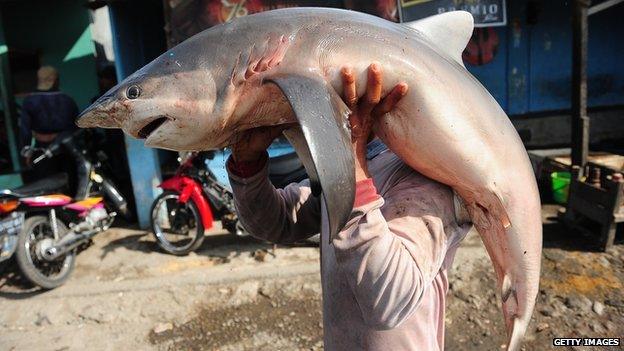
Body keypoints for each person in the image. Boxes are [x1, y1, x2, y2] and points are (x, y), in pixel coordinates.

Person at [227, 63, 472, 351]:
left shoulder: (427, 176)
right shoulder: (356, 165)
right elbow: (278, 221)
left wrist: (353, 164)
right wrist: (248, 162)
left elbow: (389, 300)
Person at [19, 66, 79, 182]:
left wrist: (27, 152)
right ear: (56, 80)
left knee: (47, 184)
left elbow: (25, 130)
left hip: (41, 149)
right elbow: (76, 126)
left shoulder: (29, 101)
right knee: (69, 180)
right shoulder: (67, 100)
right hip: (66, 147)